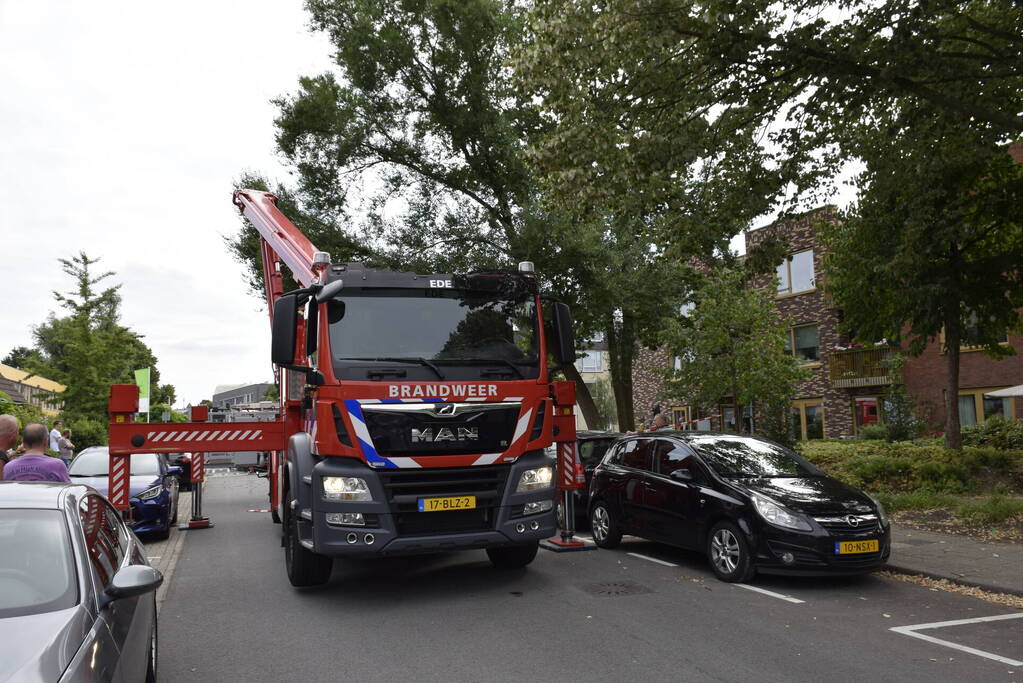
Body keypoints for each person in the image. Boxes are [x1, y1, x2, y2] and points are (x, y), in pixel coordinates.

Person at [2, 423, 71, 483]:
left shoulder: (8, 467)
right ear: (45, 442)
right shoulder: (57, 465)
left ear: (23, 442)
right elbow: (68, 492)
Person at [0, 414, 20, 481]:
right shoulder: (1, 457)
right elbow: (2, 488)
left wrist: (16, 451)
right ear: (13, 435)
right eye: (17, 432)